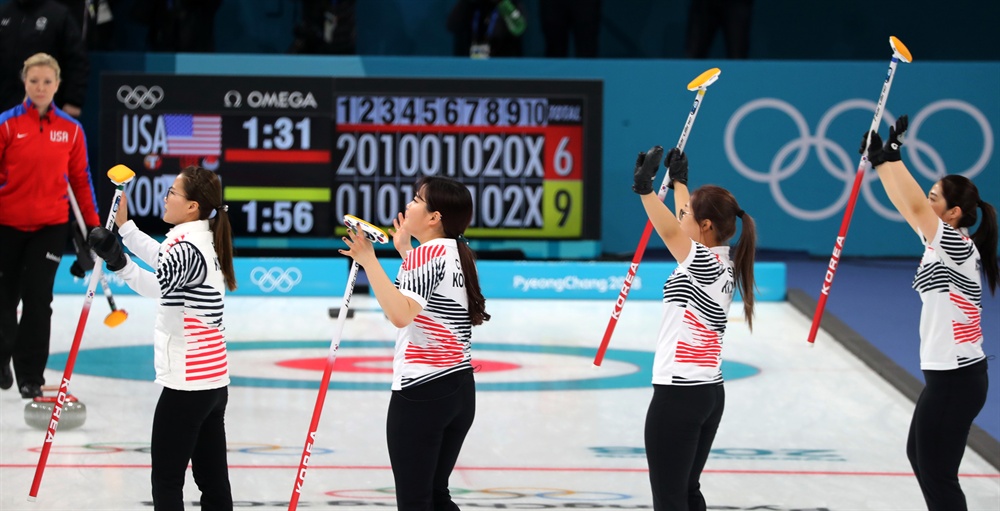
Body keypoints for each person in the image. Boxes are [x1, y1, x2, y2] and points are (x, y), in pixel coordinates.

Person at [862, 116, 996, 510]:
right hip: (948, 378)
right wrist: (881, 163)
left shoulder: (955, 246)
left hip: (957, 379)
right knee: (920, 458)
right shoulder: (941, 241)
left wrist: (896, 155)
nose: (927, 200)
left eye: (936, 197)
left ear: (953, 214)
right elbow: (909, 206)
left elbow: (917, 205)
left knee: (937, 473)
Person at [87, 165, 237, 511]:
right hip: (212, 383)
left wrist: (117, 260)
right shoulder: (198, 238)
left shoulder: (189, 247)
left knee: (167, 481)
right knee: (213, 483)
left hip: (189, 384)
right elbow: (163, 260)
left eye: (173, 192)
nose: (165, 197)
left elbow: (157, 285)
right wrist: (126, 230)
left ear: (191, 207)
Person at [338, 176, 489, 510]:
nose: (409, 205)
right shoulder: (457, 254)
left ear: (435, 217)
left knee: (415, 501)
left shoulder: (428, 256)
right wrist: (406, 251)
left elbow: (400, 313)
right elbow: (424, 300)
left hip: (423, 391)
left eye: (418, 200)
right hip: (459, 390)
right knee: (435, 494)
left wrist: (368, 260)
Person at [631, 145, 757, 510]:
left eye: (686, 212)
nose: (680, 213)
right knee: (686, 492)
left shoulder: (700, 261)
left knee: (671, 500)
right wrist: (680, 181)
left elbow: (672, 231)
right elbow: (686, 221)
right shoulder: (724, 261)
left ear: (705, 227)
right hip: (708, 394)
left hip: (679, 396)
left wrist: (645, 189)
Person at [0, 52, 99, 399]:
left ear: (57, 85)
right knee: (4, 298)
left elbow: (81, 180)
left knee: (38, 300)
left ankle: (31, 376)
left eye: (47, 81)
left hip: (50, 226)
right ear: (24, 83)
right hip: (6, 225)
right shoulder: (7, 125)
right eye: (34, 81)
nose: (40, 87)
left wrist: (94, 227)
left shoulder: (72, 131)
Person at [0, 0, 89, 115]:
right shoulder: (4, 13)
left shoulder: (58, 15)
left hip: (45, 104)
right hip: (6, 102)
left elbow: (77, 60)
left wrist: (73, 101)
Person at [446, 0, 525, 58]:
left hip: (501, 66)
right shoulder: (471, 5)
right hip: (470, 65)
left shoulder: (511, 4)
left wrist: (502, 3)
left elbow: (519, 29)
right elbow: (452, 25)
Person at [684, 0, 753, 59]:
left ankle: (739, 74)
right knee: (694, 53)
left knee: (738, 55)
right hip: (703, 4)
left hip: (737, 4)